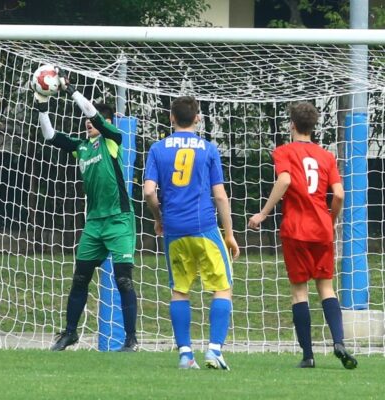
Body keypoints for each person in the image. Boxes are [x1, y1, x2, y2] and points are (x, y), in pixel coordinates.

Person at [33, 68, 139, 352]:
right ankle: (69, 333)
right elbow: (50, 135)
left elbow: (92, 113)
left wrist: (70, 90)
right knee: (80, 278)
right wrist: (42, 104)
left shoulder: (113, 139)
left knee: (124, 280)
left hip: (118, 220)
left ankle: (131, 339)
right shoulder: (81, 147)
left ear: (106, 123)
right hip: (94, 223)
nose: (88, 124)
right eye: (87, 122)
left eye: (93, 121)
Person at [248, 102, 357, 369]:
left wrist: (263, 213)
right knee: (327, 287)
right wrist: (330, 220)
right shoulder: (327, 157)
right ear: (313, 126)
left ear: (292, 125)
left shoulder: (284, 151)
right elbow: (339, 194)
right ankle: (339, 342)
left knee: (299, 293)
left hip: (296, 229)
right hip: (322, 229)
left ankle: (308, 356)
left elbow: (284, 180)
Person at [143, 96, 239, 370]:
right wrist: (229, 234)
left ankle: (186, 354)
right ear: (197, 118)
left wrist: (159, 217)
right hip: (204, 227)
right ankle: (214, 350)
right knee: (222, 287)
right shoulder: (208, 149)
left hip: (174, 229)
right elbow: (220, 196)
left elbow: (149, 191)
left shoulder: (157, 149)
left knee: (179, 290)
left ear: (171, 118)